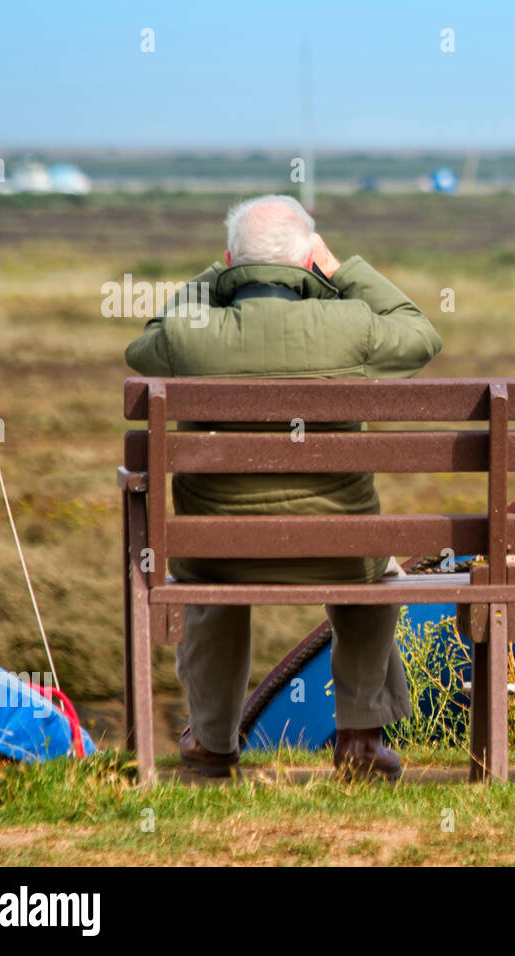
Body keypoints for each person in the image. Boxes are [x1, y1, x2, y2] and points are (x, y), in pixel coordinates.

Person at [124, 194, 443, 780]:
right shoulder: (349, 324)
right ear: (308, 262)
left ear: (230, 262)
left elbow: (144, 342)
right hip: (341, 554)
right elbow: (420, 334)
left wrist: (214, 274)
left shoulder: (192, 333)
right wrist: (342, 270)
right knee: (380, 572)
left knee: (208, 576)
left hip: (218, 555)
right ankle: (361, 740)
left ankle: (213, 742)